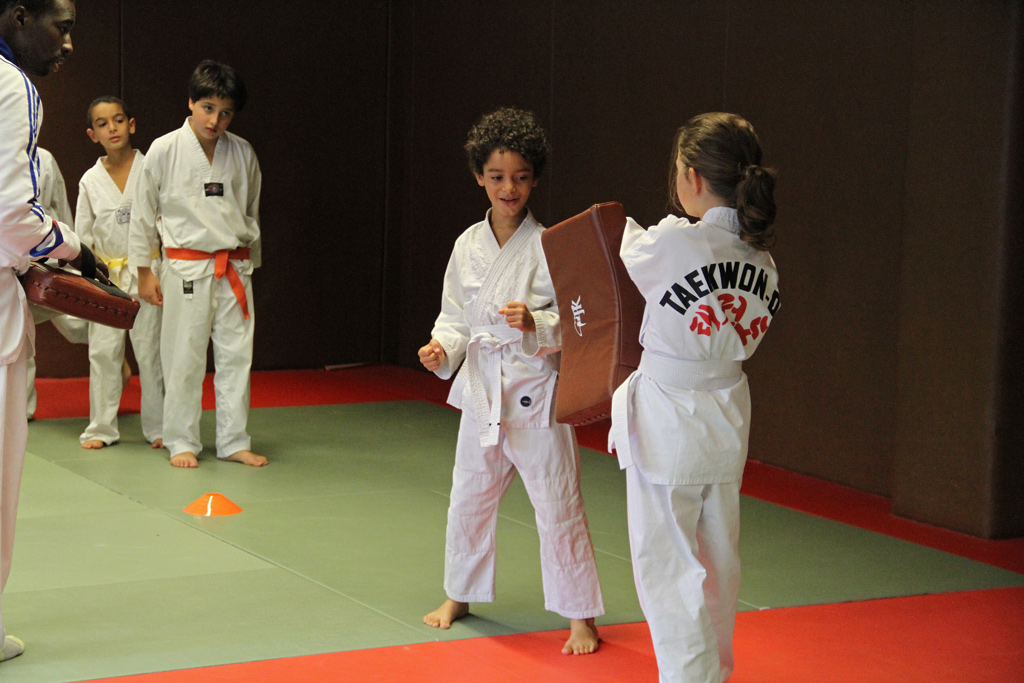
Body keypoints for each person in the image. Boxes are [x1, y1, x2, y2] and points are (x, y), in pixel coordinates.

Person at [419, 107, 603, 655]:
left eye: (520, 177)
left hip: (535, 393)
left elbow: (576, 326)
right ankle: (460, 593)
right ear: (479, 176)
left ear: (535, 179)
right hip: (482, 388)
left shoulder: (551, 246)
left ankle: (580, 616)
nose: (509, 188)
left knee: (557, 501)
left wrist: (537, 324)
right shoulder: (466, 245)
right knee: (468, 497)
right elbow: (455, 316)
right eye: (497, 177)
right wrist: (441, 347)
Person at [608, 112, 780, 683]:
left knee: (667, 566)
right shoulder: (763, 260)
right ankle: (714, 672)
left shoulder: (675, 243)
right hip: (727, 414)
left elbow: (619, 244)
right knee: (719, 565)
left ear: (691, 176)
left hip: (669, 415)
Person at [1, 0, 107, 662]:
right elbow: (15, 211)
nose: (67, 43)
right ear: (17, 17)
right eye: (60, 26)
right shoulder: (14, 87)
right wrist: (73, 247)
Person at [129, 60, 265, 469]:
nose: (215, 120)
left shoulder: (242, 152)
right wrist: (144, 270)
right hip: (186, 267)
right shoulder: (165, 149)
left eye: (225, 112)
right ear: (190, 102)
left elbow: (252, 211)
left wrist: (251, 263)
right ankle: (181, 439)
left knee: (236, 357)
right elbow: (142, 211)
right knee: (183, 357)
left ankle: (233, 440)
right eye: (207, 107)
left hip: (234, 268)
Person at [77, 96, 164, 449]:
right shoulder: (90, 181)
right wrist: (87, 279)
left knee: (151, 352)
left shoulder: (151, 169)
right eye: (102, 123)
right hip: (106, 277)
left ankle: (158, 428)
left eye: (117, 120)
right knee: (103, 352)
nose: (111, 128)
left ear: (132, 124)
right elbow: (83, 236)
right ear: (92, 134)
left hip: (149, 270)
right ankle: (101, 427)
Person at [25, 146, 91, 421]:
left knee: (77, 326)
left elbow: (60, 209)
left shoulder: (44, 158)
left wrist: (71, 252)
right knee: (18, 337)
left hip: (47, 262)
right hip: (11, 262)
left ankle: (111, 349)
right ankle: (22, 409)